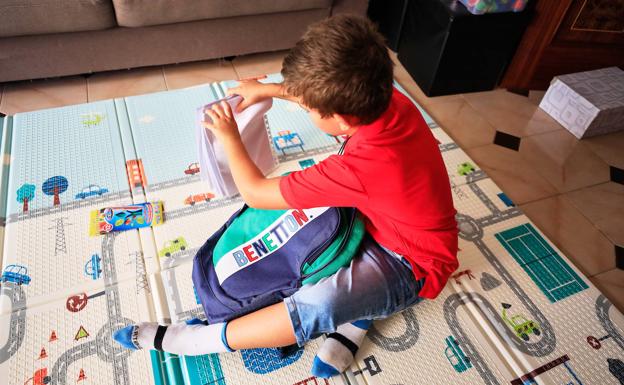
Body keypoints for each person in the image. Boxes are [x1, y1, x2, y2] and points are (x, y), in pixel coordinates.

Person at [113, 14, 458, 378]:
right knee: (303, 248)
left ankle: (198, 340)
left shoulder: (361, 168)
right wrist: (270, 90)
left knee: (318, 301)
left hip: (413, 265)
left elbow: (257, 193)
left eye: (308, 109)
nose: (304, 110)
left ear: (339, 119)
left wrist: (230, 137)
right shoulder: (387, 99)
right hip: (376, 217)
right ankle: (358, 314)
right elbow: (335, 102)